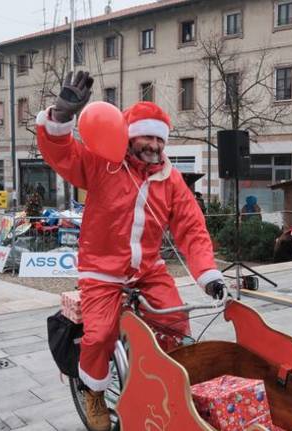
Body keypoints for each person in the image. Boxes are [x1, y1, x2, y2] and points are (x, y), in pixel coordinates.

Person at [36, 71, 226, 431]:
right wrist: (61, 116)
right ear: (130, 137)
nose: (153, 145)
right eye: (145, 137)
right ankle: (93, 392)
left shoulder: (170, 179)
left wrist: (209, 275)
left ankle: (168, 383)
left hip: (148, 270)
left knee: (175, 321)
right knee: (100, 334)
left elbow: (192, 229)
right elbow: (64, 153)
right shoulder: (103, 163)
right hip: (101, 270)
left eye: (159, 138)